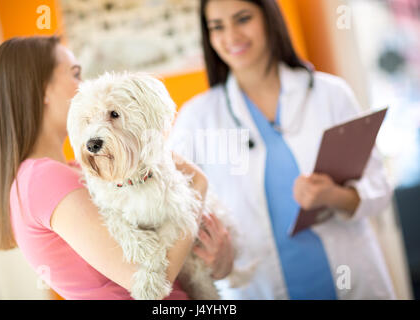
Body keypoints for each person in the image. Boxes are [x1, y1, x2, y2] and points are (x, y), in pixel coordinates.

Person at [167, 0, 396, 299]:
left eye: (243, 19)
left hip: (351, 280)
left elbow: (378, 187)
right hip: (258, 287)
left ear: (269, 19)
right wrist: (214, 259)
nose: (231, 36)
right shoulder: (197, 118)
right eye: (217, 27)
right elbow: (175, 210)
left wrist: (333, 196)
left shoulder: (330, 94)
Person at [0, 35, 231, 299]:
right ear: (42, 89)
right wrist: (198, 188)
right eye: (75, 74)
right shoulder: (43, 179)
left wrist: (219, 259)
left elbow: (175, 252)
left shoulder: (78, 168)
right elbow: (149, 280)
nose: (85, 84)